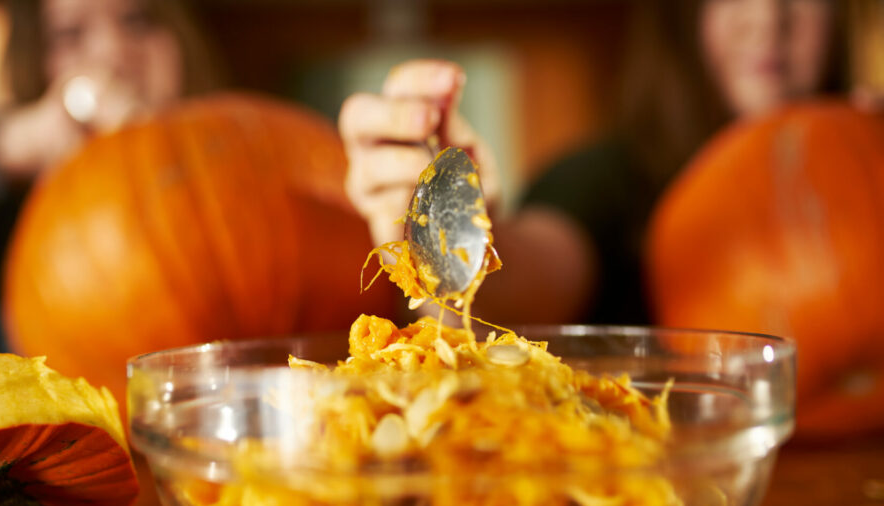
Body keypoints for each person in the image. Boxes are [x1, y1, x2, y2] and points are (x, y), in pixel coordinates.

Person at [339, 0, 848, 326]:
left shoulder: (867, 162)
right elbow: (525, 278)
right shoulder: (604, 181)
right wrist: (452, 240)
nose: (768, 17)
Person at [0, 0, 221, 358]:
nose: (113, 50)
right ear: (30, 59)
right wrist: (17, 142)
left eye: (138, 20)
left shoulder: (243, 174)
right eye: (70, 35)